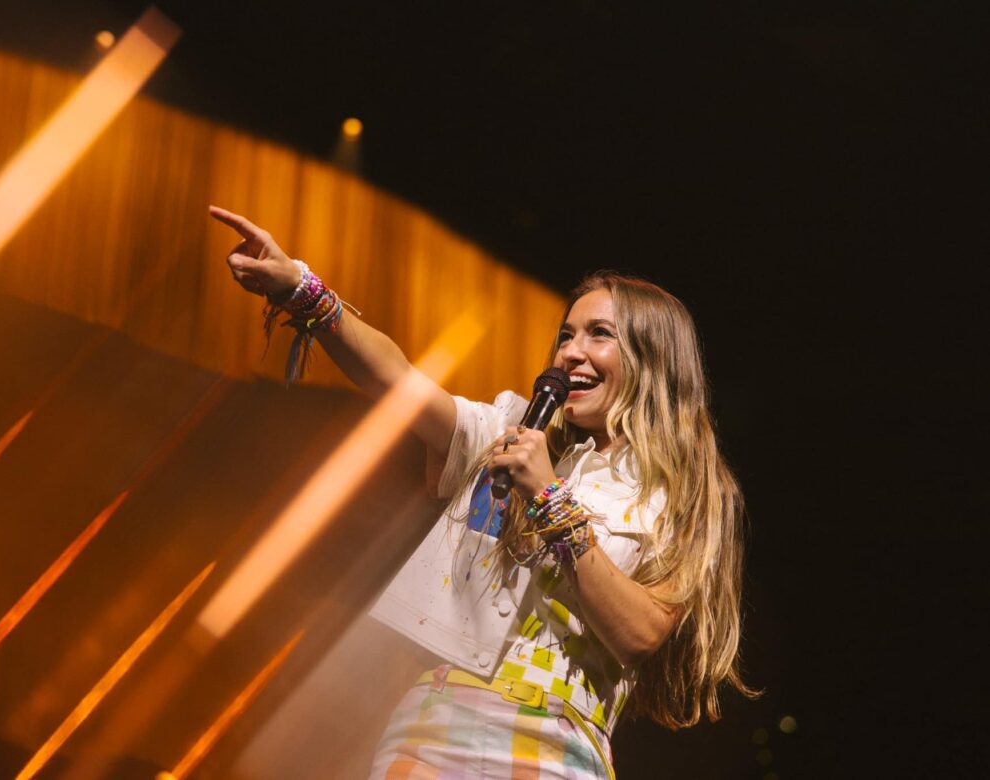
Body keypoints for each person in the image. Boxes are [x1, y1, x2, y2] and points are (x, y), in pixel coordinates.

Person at [210, 205, 754, 779]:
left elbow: (639, 634)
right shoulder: (510, 431)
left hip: (558, 747)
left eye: (599, 335)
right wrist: (301, 288)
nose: (571, 352)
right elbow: (399, 381)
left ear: (655, 358)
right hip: (433, 727)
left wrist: (549, 498)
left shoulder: (681, 495)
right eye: (566, 335)